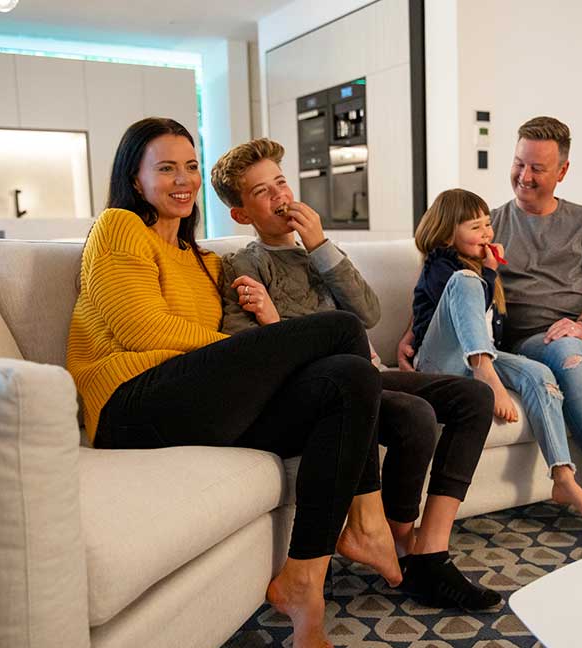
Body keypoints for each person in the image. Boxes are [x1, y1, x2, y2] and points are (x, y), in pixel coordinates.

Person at [66, 117, 402, 648]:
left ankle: (303, 581)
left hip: (196, 403)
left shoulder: (203, 260)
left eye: (191, 166)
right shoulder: (118, 227)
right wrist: (245, 350)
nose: (184, 180)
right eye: (166, 168)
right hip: (128, 404)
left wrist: (254, 350)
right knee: (339, 330)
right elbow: (139, 327)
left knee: (350, 375)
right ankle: (368, 516)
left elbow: (226, 348)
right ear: (136, 180)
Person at [210, 138, 502, 611]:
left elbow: (367, 312)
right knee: (416, 416)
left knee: (474, 398)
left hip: (370, 372)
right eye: (263, 193)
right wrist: (272, 321)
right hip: (325, 388)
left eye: (281, 182)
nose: (280, 196)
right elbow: (250, 353)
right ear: (241, 215)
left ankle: (428, 549)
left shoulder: (321, 251)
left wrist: (321, 245)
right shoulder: (246, 263)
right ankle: (401, 544)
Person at [400, 116, 582, 546]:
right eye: (519, 163)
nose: (524, 176)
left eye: (537, 168)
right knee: (571, 356)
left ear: (562, 172)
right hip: (536, 339)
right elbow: (445, 279)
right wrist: (411, 332)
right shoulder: (488, 224)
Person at [409, 187, 582, 528]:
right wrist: (486, 272)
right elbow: (454, 302)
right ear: (446, 233)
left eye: (487, 225)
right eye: (475, 227)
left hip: (480, 358)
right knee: (466, 280)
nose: (487, 233)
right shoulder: (442, 265)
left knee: (539, 373)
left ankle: (563, 477)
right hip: (438, 366)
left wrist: (490, 271)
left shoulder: (481, 269)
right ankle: (486, 373)